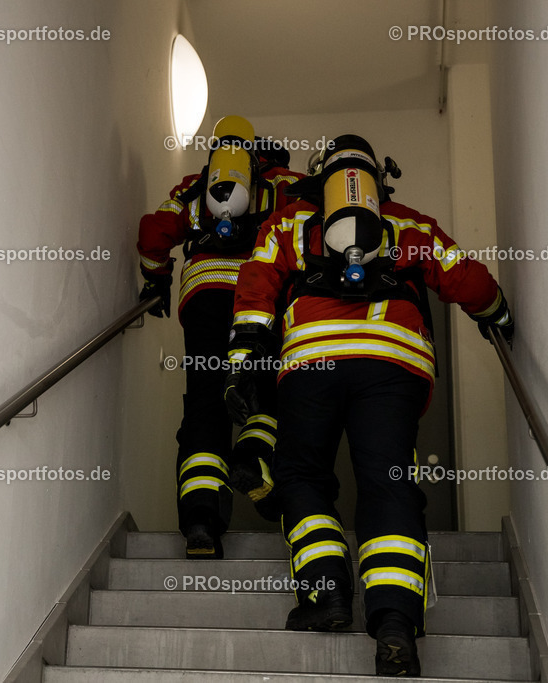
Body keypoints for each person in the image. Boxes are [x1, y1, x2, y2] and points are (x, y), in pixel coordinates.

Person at [223, 134, 514, 676]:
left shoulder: (291, 221)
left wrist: (246, 350)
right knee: (387, 483)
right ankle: (396, 622)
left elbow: (257, 279)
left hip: (312, 359)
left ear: (320, 175)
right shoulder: (408, 223)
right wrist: (496, 313)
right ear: (378, 180)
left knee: (303, 475)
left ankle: (326, 593)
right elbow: (464, 275)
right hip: (391, 362)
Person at [136, 116, 303, 558]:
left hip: (205, 297)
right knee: (266, 389)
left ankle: (200, 522)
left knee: (206, 403)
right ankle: (252, 454)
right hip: (259, 299)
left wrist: (156, 281)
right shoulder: (286, 183)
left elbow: (153, 234)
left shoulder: (196, 186)